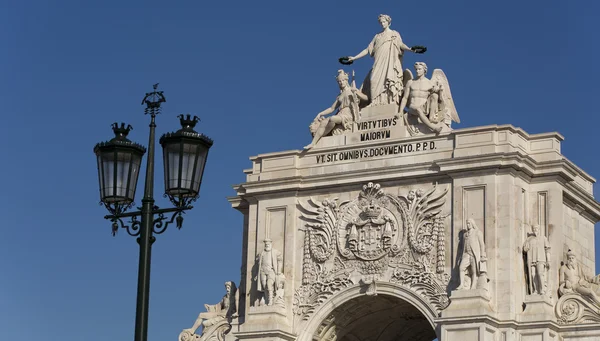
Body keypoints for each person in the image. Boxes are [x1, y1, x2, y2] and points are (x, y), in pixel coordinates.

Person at [347, 14, 414, 107]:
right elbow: (367, 50)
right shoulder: (377, 36)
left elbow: (400, 44)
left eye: (384, 22)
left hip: (389, 62)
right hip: (378, 62)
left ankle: (389, 101)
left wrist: (410, 49)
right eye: (381, 22)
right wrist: (354, 57)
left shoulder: (394, 34)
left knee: (389, 78)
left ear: (388, 22)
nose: (382, 24)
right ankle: (374, 102)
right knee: (373, 80)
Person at [304, 70, 367, 150]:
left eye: (343, 80)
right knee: (323, 122)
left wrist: (357, 93)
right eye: (339, 81)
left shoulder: (352, 90)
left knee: (332, 119)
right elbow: (332, 108)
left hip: (348, 115)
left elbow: (366, 98)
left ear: (346, 80)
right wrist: (321, 113)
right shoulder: (340, 95)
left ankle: (323, 135)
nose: (341, 83)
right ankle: (313, 143)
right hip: (340, 113)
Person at [399, 62, 445, 134]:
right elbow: (405, 98)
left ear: (424, 70)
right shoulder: (410, 82)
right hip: (413, 107)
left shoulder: (430, 83)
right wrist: (400, 111)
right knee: (418, 109)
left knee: (434, 96)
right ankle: (433, 128)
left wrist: (439, 90)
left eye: (419, 69)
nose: (417, 71)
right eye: (416, 69)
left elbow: (439, 100)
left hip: (424, 108)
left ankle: (431, 117)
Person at [458, 219, 487, 290]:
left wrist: (482, 255)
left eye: (469, 223)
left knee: (474, 271)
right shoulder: (465, 235)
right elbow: (463, 247)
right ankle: (461, 284)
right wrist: (460, 257)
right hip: (466, 254)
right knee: (461, 268)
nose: (468, 225)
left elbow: (482, 245)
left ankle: (473, 286)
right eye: (467, 223)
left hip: (474, 255)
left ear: (472, 224)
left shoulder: (477, 232)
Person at [523, 225, 551, 295]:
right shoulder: (529, 239)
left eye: (536, 228)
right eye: (534, 228)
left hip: (541, 258)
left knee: (540, 274)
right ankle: (535, 290)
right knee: (533, 275)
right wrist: (526, 247)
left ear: (539, 229)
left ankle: (542, 290)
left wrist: (548, 260)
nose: (535, 229)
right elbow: (525, 249)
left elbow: (547, 250)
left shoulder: (543, 238)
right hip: (531, 259)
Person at [258, 239, 283, 305]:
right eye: (266, 244)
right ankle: (266, 299)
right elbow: (259, 263)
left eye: (268, 244)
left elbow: (279, 260)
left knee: (269, 284)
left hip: (271, 271)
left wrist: (278, 271)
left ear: (270, 244)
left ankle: (270, 300)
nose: (267, 245)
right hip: (262, 271)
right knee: (264, 286)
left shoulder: (275, 252)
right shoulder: (262, 253)